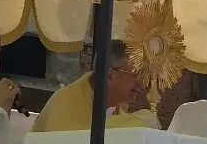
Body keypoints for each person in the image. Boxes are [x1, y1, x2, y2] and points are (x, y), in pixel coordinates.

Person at [30, 40, 159, 132]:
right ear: (109, 75)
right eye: (136, 74)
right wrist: (137, 123)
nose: (142, 83)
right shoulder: (68, 101)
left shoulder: (118, 107)